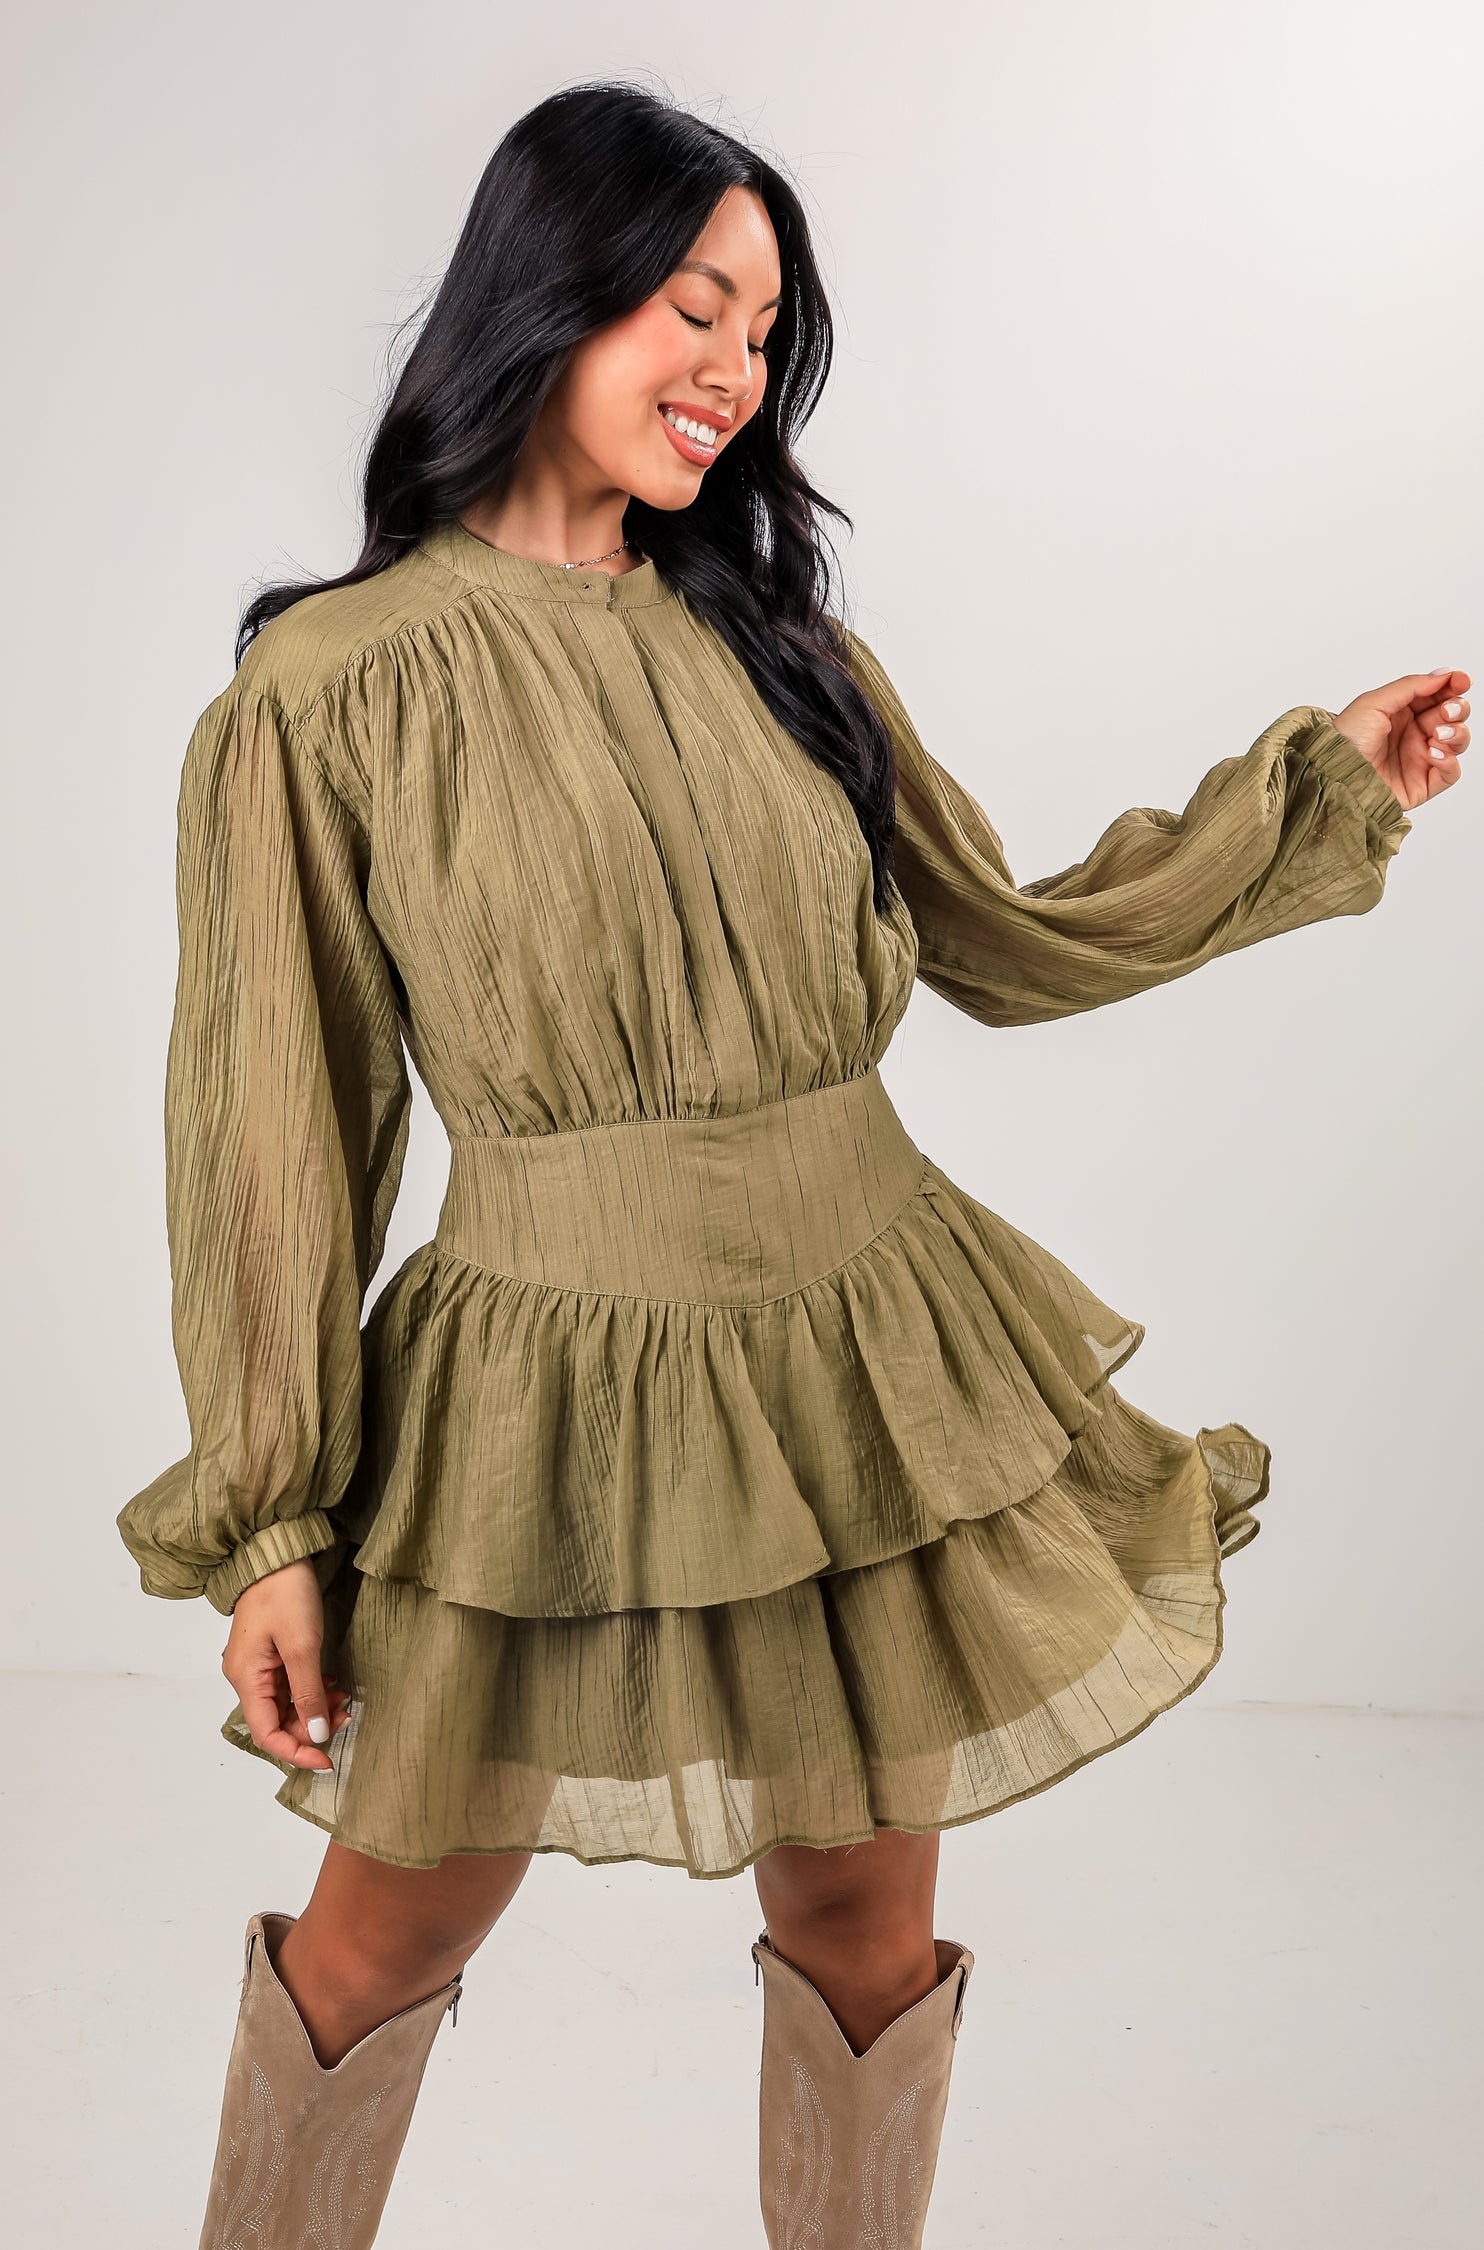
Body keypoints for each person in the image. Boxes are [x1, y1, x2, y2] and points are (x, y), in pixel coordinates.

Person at [117, 78, 1467, 2250]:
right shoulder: (324, 692)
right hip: (550, 1392)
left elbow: (1011, 940)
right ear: (541, 292)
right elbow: (278, 1129)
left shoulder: (784, 650)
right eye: (694, 304)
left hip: (864, 1351)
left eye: (767, 329)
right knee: (389, 1937)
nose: (737, 369)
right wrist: (269, 1516)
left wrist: (1308, 793)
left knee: (861, 1916)